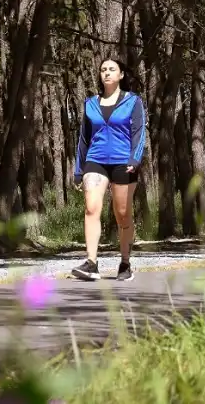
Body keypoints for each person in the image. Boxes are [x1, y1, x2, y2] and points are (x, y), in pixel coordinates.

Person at [71, 57, 147, 282]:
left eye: (112, 69)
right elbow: (83, 139)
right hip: (95, 160)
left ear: (121, 74)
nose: (107, 73)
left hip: (124, 162)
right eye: (103, 69)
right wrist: (79, 168)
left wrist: (135, 158)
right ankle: (91, 262)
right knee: (91, 209)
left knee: (122, 214)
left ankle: (125, 262)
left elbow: (139, 132)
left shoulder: (132, 101)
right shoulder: (90, 103)